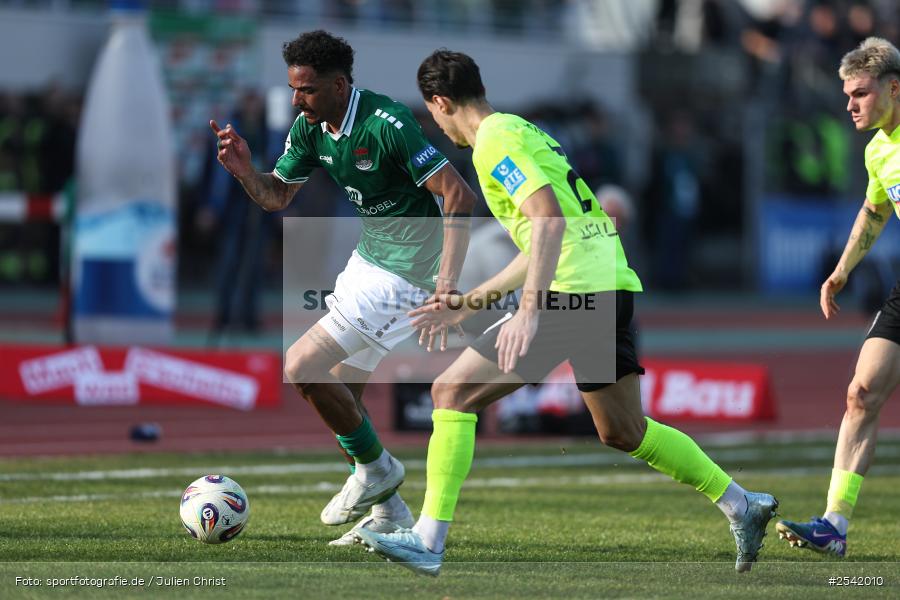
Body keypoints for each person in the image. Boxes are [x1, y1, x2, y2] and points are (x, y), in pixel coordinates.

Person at [357, 49, 778, 575]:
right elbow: (542, 237)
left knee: (450, 392)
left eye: (434, 116)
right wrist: (472, 302)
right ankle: (742, 502)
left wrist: (529, 312)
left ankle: (428, 540)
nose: (440, 131)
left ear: (441, 103)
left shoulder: (494, 141)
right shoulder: (521, 130)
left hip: (573, 291)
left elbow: (548, 222)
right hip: (609, 285)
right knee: (623, 430)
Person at [211, 31, 476, 545]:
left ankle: (378, 473)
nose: (295, 100)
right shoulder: (309, 127)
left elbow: (457, 196)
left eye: (305, 90)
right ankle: (390, 512)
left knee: (301, 365)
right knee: (342, 403)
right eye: (292, 89)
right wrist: (245, 172)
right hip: (368, 260)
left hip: (408, 271)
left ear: (338, 85)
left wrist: (446, 284)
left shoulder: (387, 123)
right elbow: (276, 197)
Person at [776, 37, 900, 558]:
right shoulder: (877, 150)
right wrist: (842, 270)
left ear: (894, 89)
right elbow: (874, 212)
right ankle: (834, 525)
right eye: (847, 94)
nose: (850, 104)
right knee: (861, 393)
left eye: (861, 94)